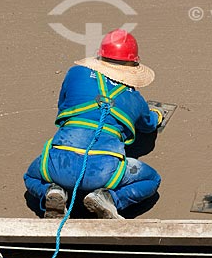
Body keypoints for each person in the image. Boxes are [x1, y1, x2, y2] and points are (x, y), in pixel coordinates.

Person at [24, 29, 163, 219]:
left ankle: (53, 191)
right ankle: (109, 198)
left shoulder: (76, 73)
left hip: (58, 164)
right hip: (103, 173)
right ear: (132, 64)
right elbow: (148, 125)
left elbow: (63, 106)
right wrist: (156, 115)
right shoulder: (135, 98)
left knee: (31, 176)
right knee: (151, 179)